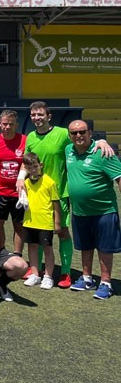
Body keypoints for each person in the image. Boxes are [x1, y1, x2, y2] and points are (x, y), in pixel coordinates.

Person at [16, 101, 115, 289]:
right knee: (35, 232)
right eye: (33, 115)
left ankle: (66, 272)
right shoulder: (30, 136)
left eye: (40, 114)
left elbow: (83, 142)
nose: (37, 118)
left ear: (49, 116)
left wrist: (100, 140)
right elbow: (26, 160)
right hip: (35, 192)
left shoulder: (63, 134)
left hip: (58, 192)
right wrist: (21, 177)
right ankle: (38, 270)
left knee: (61, 231)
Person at [64, 120, 121, 300]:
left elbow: (120, 179)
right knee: (85, 246)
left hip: (104, 211)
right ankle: (87, 278)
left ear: (90, 133)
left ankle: (105, 283)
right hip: (80, 211)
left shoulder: (103, 153)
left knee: (104, 248)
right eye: (74, 133)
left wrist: (101, 142)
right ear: (69, 136)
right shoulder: (68, 151)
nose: (78, 135)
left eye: (82, 132)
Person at [0, 110, 26, 254]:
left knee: (19, 226)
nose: (7, 127)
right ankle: (1, 252)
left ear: (16, 125)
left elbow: (28, 163)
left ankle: (17, 254)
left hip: (19, 193)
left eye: (11, 124)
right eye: (4, 124)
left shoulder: (24, 141)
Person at [20, 153, 60, 290]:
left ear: (40, 165)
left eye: (35, 166)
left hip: (45, 222)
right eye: (30, 167)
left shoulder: (49, 182)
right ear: (26, 168)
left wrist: (57, 222)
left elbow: (56, 203)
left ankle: (48, 277)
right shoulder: (25, 183)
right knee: (32, 247)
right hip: (29, 221)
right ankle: (35, 274)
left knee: (47, 249)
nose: (33, 169)